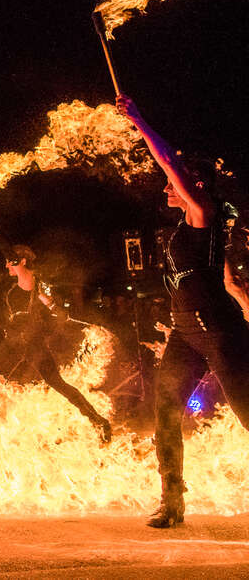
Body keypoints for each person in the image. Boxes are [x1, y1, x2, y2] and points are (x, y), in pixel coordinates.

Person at [117, 94, 249, 528]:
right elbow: (229, 280)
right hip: (185, 333)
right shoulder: (192, 232)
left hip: (219, 332)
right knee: (166, 407)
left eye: (173, 183)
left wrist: (138, 120)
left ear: (197, 186)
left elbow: (168, 162)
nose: (166, 187)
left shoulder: (202, 213)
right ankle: (172, 501)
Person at [4, 244, 113, 443]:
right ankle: (98, 421)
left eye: (10, 262)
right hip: (26, 347)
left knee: (9, 387)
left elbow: (12, 258)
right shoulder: (30, 284)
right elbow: (48, 303)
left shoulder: (27, 280)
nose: (6, 265)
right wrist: (56, 309)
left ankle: (99, 421)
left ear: (22, 261)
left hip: (31, 347)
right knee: (52, 385)